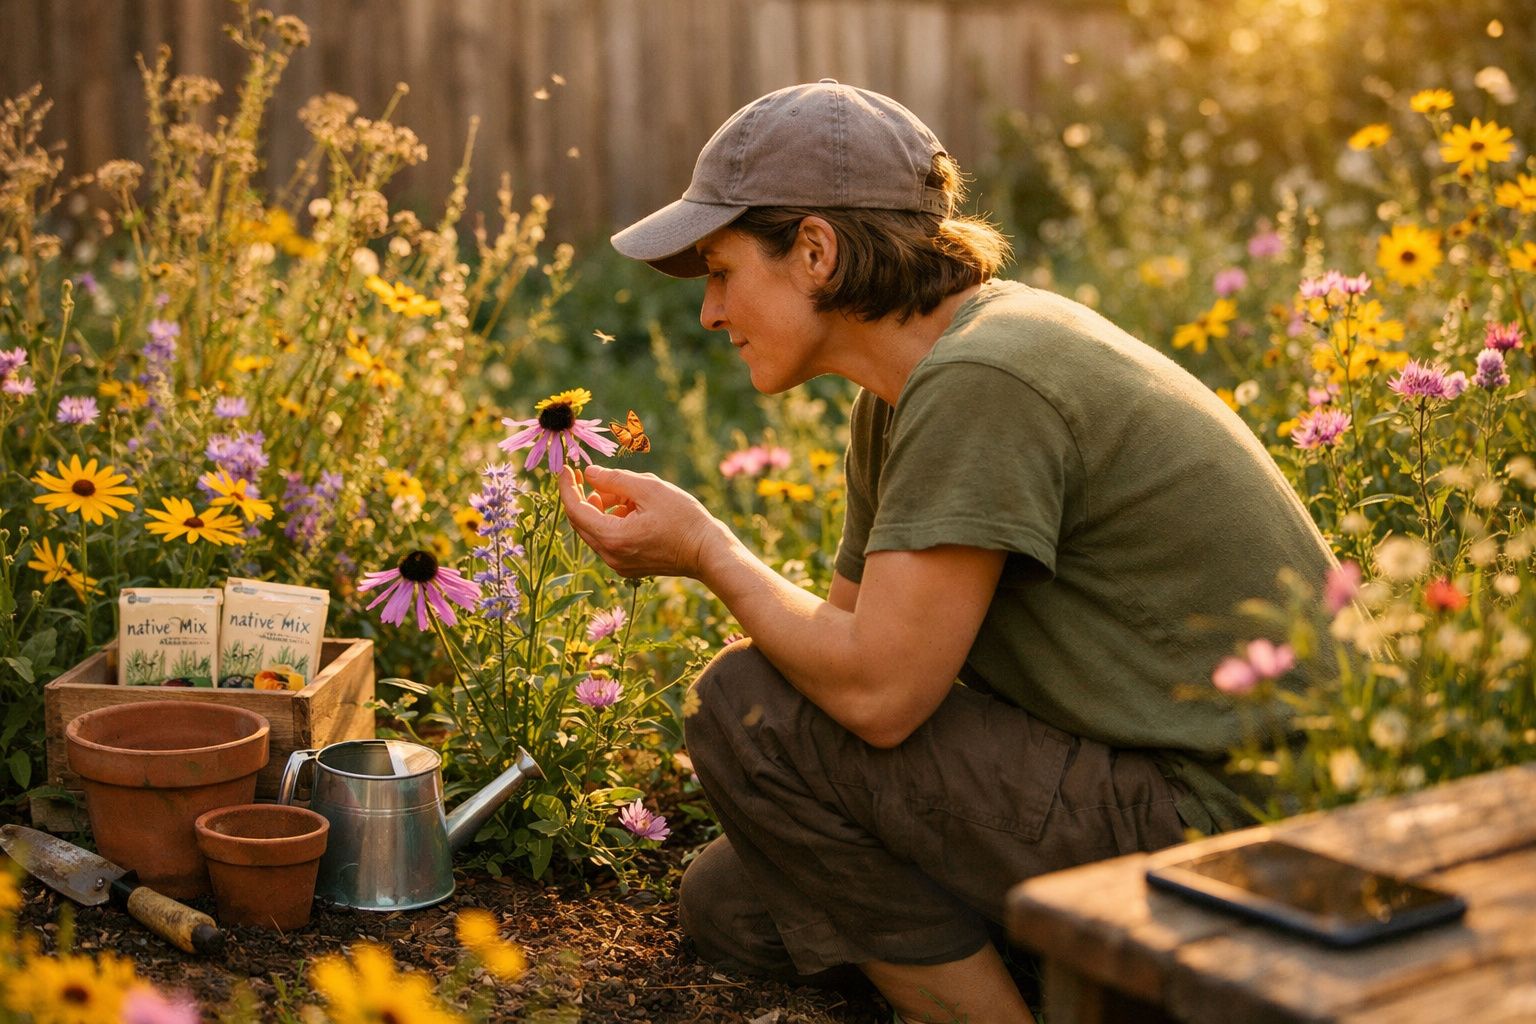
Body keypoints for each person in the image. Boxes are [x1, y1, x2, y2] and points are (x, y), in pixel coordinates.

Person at [557, 80, 1333, 1024]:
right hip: (1154, 782)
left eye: (721, 271)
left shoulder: (983, 379)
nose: (710, 312)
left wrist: (709, 549)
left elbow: (877, 698)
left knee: (743, 710)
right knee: (734, 905)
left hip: (1244, 832)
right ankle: (1066, 966)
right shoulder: (904, 393)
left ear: (815, 251)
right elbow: (843, 651)